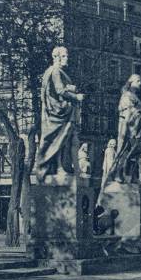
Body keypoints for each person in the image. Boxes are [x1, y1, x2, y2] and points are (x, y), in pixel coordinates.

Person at [34, 46, 86, 181]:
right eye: (63, 56)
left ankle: (61, 166)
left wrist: (70, 88)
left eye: (66, 55)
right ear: (56, 57)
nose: (66, 58)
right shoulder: (56, 71)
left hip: (61, 111)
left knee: (62, 140)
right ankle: (58, 167)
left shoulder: (58, 72)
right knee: (59, 140)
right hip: (57, 113)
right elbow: (60, 91)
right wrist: (76, 97)